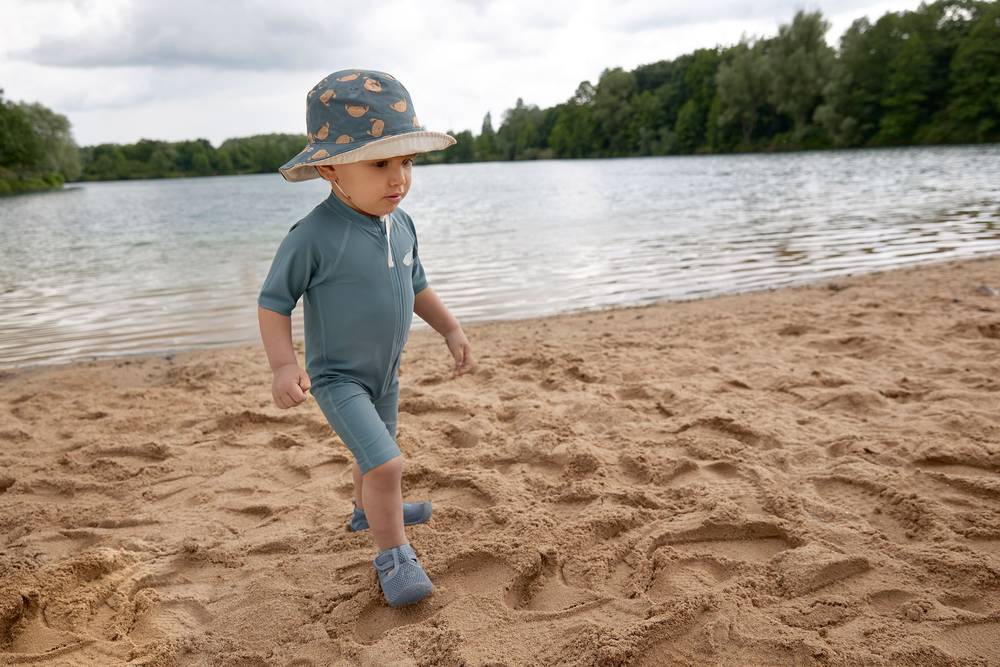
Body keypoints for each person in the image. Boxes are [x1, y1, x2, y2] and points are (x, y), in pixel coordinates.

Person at [256, 69, 475, 608]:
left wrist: (449, 328)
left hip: (386, 373)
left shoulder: (402, 225)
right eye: (380, 163)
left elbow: (416, 284)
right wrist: (284, 367)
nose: (397, 178)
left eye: (406, 162)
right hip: (338, 378)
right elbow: (273, 301)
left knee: (370, 457)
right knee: (386, 463)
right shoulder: (313, 236)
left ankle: (367, 509)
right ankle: (393, 556)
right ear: (331, 168)